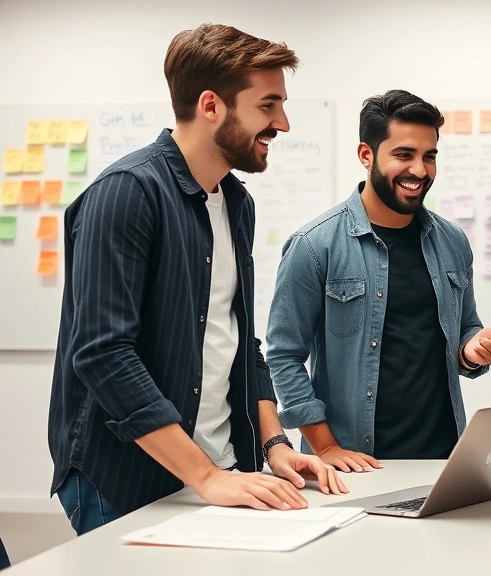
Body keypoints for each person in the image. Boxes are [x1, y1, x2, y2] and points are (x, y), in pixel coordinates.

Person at [48, 24, 343, 536]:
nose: (284, 123)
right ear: (211, 105)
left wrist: (274, 445)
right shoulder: (126, 194)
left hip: (219, 470)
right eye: (268, 105)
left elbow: (238, 342)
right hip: (127, 479)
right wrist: (205, 476)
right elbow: (103, 355)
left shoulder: (236, 203)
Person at [266, 90, 491, 471]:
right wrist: (324, 448)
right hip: (355, 464)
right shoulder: (314, 245)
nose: (419, 170)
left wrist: (472, 350)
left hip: (445, 459)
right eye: (404, 155)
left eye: (429, 156)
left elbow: (465, 327)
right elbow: (283, 356)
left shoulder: (452, 241)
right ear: (366, 155)